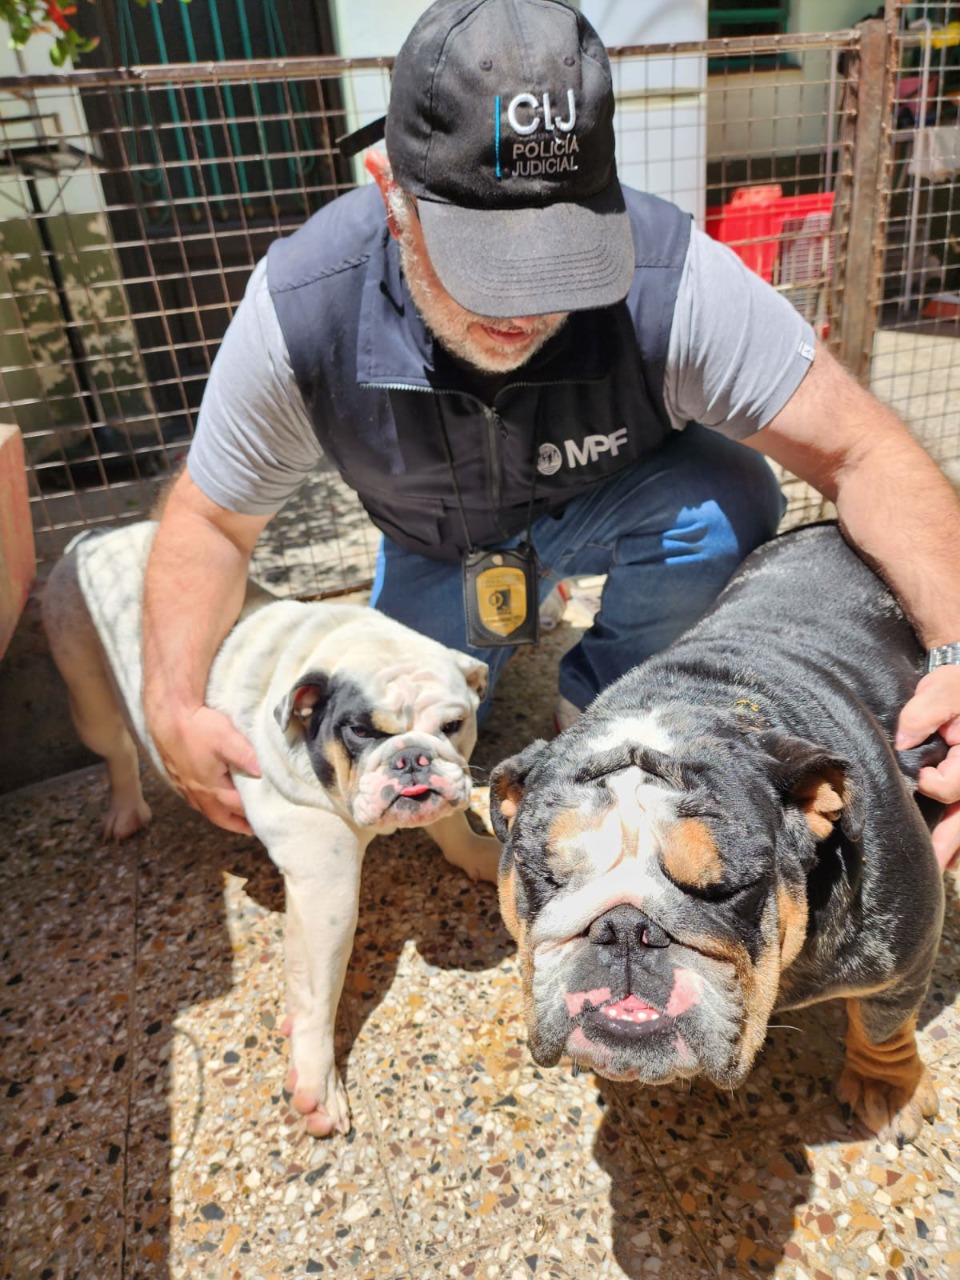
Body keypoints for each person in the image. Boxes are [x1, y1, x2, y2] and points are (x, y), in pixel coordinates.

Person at [142, 0, 960, 869]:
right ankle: (486, 619)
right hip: (438, 541)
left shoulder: (674, 277)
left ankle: (599, 697)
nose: (525, 307)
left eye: (564, 254)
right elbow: (210, 521)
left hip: (615, 498)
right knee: (422, 718)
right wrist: (171, 704)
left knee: (730, 495)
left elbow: (864, 451)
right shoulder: (303, 308)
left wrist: (955, 651)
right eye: (484, 261)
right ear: (391, 193)